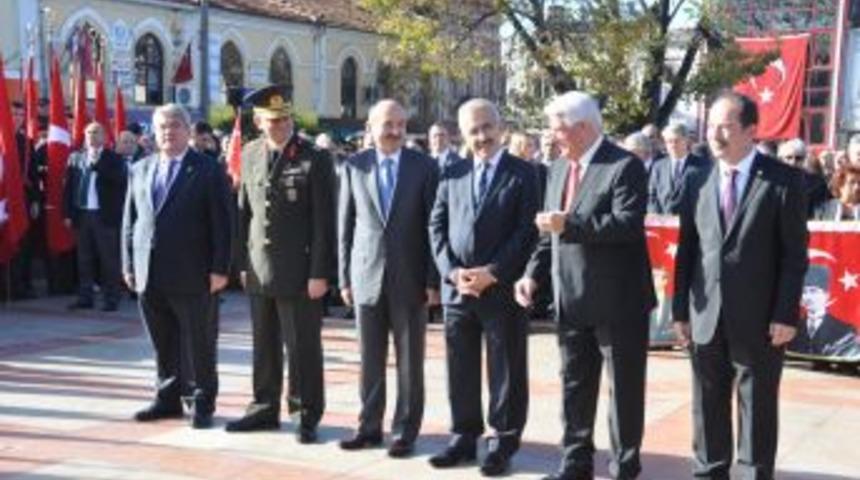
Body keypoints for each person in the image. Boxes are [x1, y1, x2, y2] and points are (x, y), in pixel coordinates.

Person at [515, 91, 656, 480]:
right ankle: (574, 463)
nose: (553, 136)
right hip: (570, 297)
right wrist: (531, 274)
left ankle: (624, 467)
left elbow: (627, 225)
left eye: (558, 129)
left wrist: (569, 225)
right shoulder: (558, 168)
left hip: (619, 301)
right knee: (575, 385)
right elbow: (548, 232)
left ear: (584, 127)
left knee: (624, 390)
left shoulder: (624, 165)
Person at [672, 91, 808, 480]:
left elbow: (794, 257)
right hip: (706, 314)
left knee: (757, 407)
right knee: (707, 404)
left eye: (726, 126)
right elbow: (688, 250)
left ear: (751, 130)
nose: (715, 134)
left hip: (761, 319)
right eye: (712, 125)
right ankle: (709, 472)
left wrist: (785, 314)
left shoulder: (784, 180)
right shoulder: (697, 178)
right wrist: (681, 310)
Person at [428, 99, 539, 477]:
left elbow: (527, 232)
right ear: (463, 133)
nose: (481, 137)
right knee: (459, 367)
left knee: (505, 369)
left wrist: (493, 272)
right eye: (473, 130)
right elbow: (436, 227)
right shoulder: (451, 173)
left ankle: (501, 442)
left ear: (501, 126)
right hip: (459, 291)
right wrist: (452, 273)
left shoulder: (525, 173)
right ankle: (463, 436)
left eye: (487, 127)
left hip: (501, 290)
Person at [225, 86, 335, 443]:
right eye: (272, 121)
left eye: (285, 119)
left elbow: (324, 222)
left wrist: (320, 272)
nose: (280, 126)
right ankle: (264, 407)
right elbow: (245, 213)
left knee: (302, 346)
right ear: (258, 121)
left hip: (300, 271)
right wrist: (242, 262)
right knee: (264, 344)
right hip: (259, 268)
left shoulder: (314, 158)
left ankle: (305, 414)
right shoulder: (251, 152)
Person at [337, 99, 440, 458]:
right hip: (365, 277)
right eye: (388, 124)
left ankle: (404, 432)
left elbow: (433, 227)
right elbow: (345, 227)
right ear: (371, 125)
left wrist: (432, 280)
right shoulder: (353, 165)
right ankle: (368, 427)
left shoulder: (424, 167)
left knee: (410, 363)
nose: (395, 130)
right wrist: (344, 279)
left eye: (400, 123)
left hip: (411, 280)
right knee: (369, 360)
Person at [122, 103, 232, 429]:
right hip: (149, 272)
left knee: (200, 341)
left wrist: (220, 268)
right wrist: (129, 264)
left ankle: (202, 402)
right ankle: (168, 398)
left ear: (187, 130)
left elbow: (223, 224)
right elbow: (131, 220)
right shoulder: (141, 168)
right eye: (162, 127)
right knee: (162, 341)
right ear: (154, 133)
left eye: (174, 126)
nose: (168, 132)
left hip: (194, 273)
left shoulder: (207, 169)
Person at [63, 122, 127, 311]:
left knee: (108, 259)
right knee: (84, 258)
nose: (92, 135)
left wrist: (96, 165)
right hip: (82, 214)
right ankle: (85, 297)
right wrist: (67, 213)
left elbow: (119, 180)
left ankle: (111, 298)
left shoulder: (114, 158)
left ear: (105, 137)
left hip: (104, 214)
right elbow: (68, 188)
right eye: (89, 132)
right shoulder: (75, 158)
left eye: (96, 132)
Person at [647, 122, 710, 215]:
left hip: (690, 224)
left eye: (676, 140)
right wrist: (657, 216)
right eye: (669, 141)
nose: (673, 145)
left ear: (686, 141)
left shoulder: (702, 165)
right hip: (663, 224)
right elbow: (652, 196)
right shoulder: (658, 166)